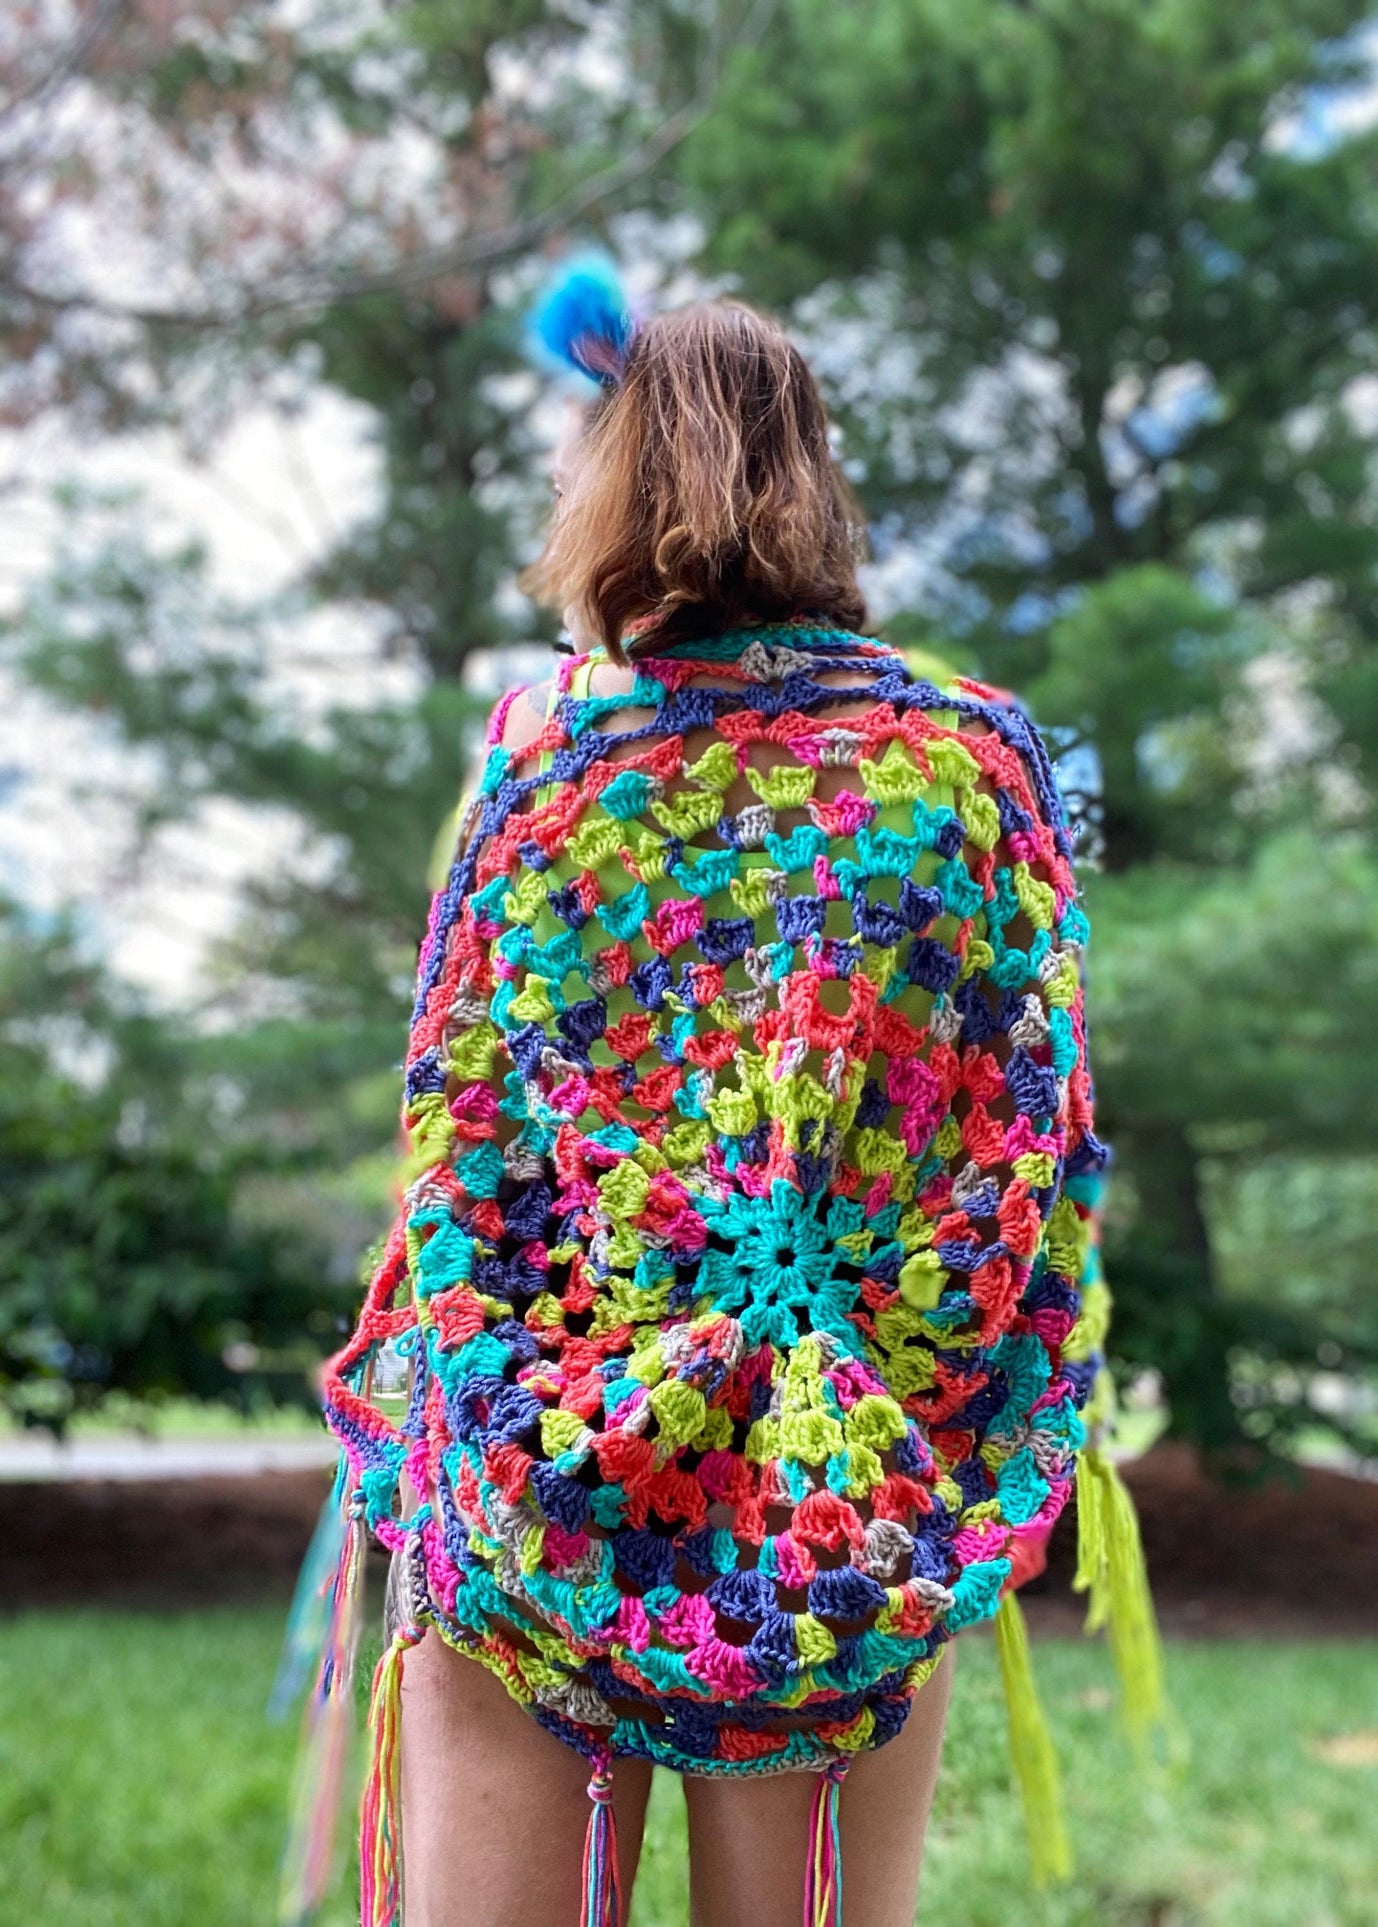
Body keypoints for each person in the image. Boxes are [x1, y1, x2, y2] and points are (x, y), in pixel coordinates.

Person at [301, 263, 1155, 1927]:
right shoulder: (970, 766)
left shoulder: (543, 765)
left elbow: (468, 1157)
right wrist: (916, 1424)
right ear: (808, 471)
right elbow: (1023, 1165)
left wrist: (527, 1397)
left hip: (532, 1472)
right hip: (849, 1495)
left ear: (615, 474)